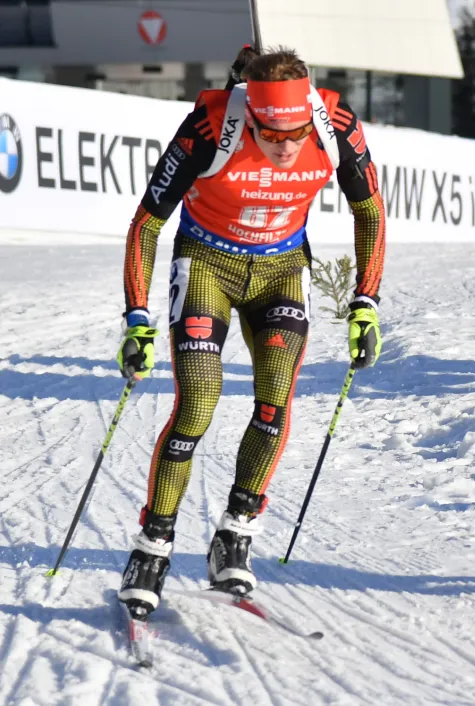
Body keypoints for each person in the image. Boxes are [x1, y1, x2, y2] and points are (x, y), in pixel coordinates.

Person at [115, 45, 387, 619]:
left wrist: (366, 301)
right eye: (270, 135)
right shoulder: (210, 127)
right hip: (208, 263)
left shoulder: (333, 126)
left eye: (293, 135)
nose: (286, 147)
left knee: (274, 402)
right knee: (198, 404)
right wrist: (135, 316)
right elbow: (148, 221)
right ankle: (153, 547)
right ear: (252, 114)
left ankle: (235, 532)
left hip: (282, 271)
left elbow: (371, 212)